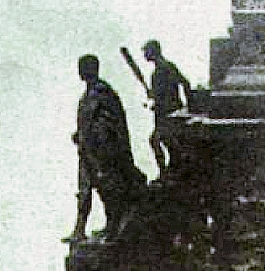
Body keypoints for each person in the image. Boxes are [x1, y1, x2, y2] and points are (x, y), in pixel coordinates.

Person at [71, 54, 147, 241]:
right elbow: (89, 121)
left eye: (83, 67)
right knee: (85, 190)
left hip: (101, 152)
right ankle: (80, 230)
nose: (80, 71)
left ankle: (112, 228)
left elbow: (109, 123)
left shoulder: (102, 92)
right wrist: (80, 135)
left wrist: (101, 145)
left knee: (107, 191)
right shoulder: (90, 93)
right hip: (88, 151)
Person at [142, 40, 192, 178]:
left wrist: (154, 99)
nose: (145, 54)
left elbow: (164, 95)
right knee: (165, 141)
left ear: (153, 51)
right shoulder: (168, 67)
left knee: (157, 140)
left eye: (146, 51)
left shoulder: (161, 70)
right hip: (168, 113)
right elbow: (184, 83)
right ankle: (170, 169)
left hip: (167, 115)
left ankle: (165, 172)